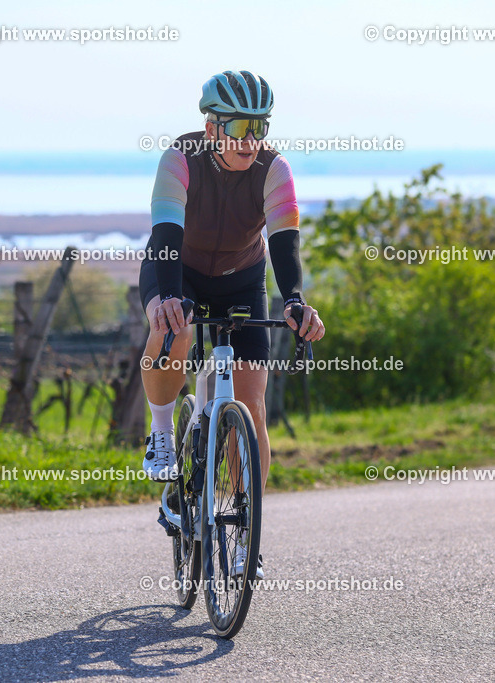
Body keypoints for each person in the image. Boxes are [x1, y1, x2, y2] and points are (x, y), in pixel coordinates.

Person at [137, 70, 326, 578]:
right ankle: (159, 432)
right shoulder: (179, 158)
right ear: (212, 124)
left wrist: (294, 300)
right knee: (174, 327)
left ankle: (246, 528)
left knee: (254, 407)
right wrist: (169, 296)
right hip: (177, 268)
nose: (251, 139)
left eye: (260, 126)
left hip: (243, 277)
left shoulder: (273, 168)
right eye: (240, 125)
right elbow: (165, 232)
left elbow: (285, 244)